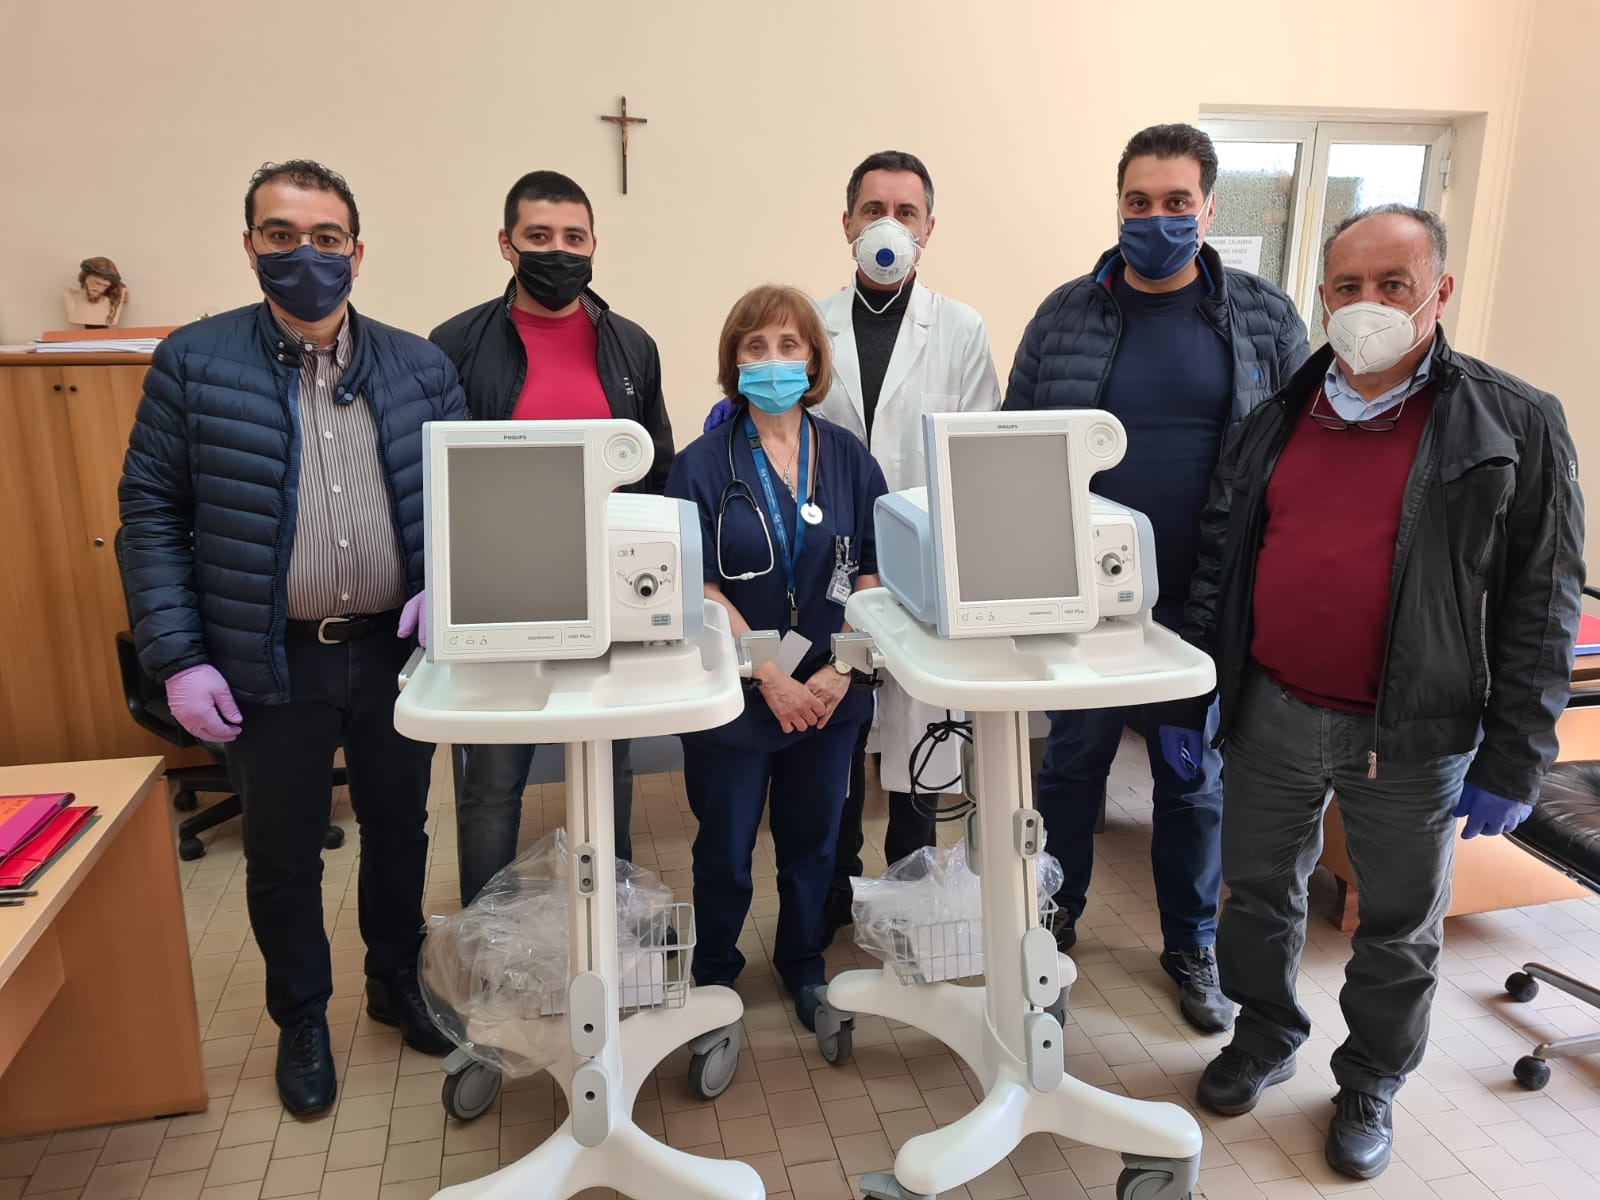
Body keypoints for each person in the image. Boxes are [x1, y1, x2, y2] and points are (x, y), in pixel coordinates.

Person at [1167, 205, 1583, 1179]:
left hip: (1413, 734)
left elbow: (1542, 604)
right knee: (1255, 896)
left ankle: (1369, 1081)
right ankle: (1263, 1036)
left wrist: (1515, 754)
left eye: (1394, 285)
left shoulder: (1513, 423)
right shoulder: (1276, 417)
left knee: (1396, 929)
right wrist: (1195, 692)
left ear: (1439, 292)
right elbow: (1220, 563)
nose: (1368, 305)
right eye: (1348, 286)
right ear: (1322, 294)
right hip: (1270, 710)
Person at [119, 160, 467, 1115]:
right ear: (250, 246)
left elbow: (461, 500)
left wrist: (447, 589)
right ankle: (303, 1018)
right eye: (281, 235)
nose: (305, 254)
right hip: (269, 656)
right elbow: (150, 513)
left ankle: (395, 981)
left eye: (325, 237)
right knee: (283, 849)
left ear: (357, 250)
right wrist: (179, 657)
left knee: (400, 827)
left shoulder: (420, 367)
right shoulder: (195, 363)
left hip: (395, 651)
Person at [1004, 123, 1309, 1033]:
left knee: (1188, 776)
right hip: (1087, 604)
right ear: (1119, 206)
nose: (1157, 219)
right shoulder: (1067, 314)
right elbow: (1014, 445)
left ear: (1209, 210)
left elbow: (1299, 453)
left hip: (1200, 602)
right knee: (1072, 766)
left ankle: (1190, 943)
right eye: (1139, 202)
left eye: (1178, 203)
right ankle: (1052, 921)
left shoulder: (1262, 317)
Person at [430, 170, 674, 906]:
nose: (558, 252)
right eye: (539, 236)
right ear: (506, 244)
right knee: (491, 781)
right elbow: (437, 477)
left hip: (607, 591)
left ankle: (614, 921)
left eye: (573, 237)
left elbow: (656, 468)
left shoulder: (631, 346)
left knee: (608, 768)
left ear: (594, 244)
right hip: (497, 594)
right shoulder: (455, 344)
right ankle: (486, 936)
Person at [667, 284, 887, 1028]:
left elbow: (873, 575)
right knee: (724, 849)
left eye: (788, 345)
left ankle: (803, 965)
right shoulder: (701, 465)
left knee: (814, 845)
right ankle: (714, 976)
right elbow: (698, 586)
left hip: (829, 694)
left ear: (813, 360)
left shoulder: (848, 458)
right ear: (734, 361)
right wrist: (770, 676)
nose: (772, 359)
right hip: (734, 696)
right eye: (754, 346)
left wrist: (841, 669)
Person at [65, 255, 127, 326]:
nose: (100, 290)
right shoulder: (69, 296)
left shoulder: (115, 298)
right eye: (97, 283)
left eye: (105, 286)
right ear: (86, 276)